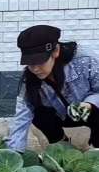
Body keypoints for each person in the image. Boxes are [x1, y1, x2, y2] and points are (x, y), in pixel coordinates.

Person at [6, 24, 99, 153]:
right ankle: (61, 144)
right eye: (30, 63)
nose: (35, 69)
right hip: (63, 115)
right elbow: (21, 116)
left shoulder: (85, 60)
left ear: (55, 51)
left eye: (39, 61)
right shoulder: (29, 79)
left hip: (86, 110)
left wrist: (89, 104)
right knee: (38, 114)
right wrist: (13, 152)